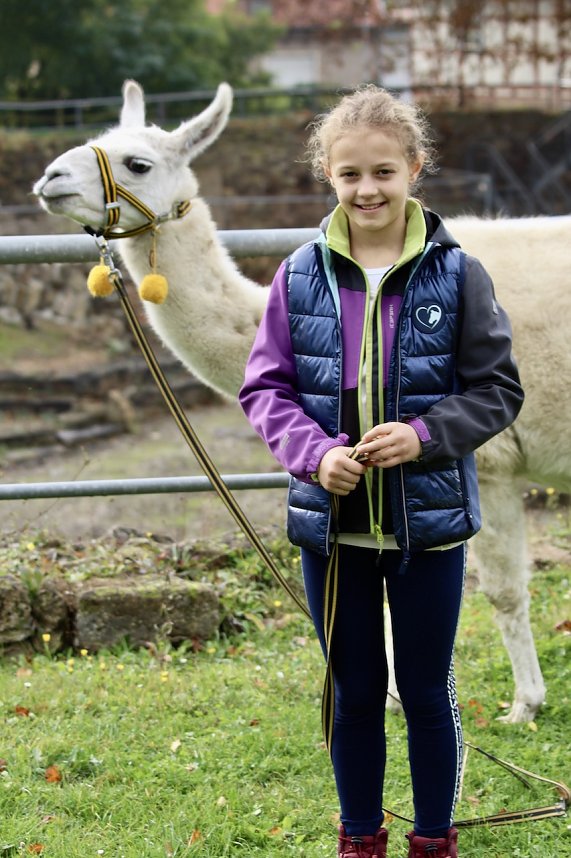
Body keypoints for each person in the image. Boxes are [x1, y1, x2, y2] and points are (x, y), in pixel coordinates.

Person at [238, 85, 524, 858]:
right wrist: (314, 454)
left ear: (414, 169)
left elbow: (496, 390)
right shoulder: (297, 276)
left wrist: (426, 435)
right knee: (355, 693)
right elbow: (263, 389)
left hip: (426, 526)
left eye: (383, 173)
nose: (367, 190)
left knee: (426, 693)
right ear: (326, 177)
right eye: (349, 175)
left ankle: (433, 839)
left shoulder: (456, 274)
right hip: (331, 532)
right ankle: (358, 838)